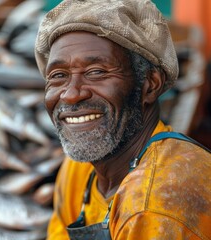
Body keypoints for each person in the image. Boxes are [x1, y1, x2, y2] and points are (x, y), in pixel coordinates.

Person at [34, 0, 211, 239]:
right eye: (58, 76)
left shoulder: (155, 207)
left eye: (96, 72)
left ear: (150, 85)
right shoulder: (79, 169)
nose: (72, 94)